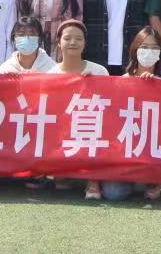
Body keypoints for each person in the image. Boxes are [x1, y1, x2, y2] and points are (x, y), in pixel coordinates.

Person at [51, 19, 110, 200]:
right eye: (67, 38)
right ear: (58, 42)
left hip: (90, 128)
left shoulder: (99, 71)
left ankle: (93, 180)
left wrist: (93, 86)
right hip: (62, 130)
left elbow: (110, 107)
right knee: (60, 182)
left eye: (78, 39)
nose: (73, 43)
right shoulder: (50, 74)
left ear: (85, 43)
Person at [124, 27, 161, 201]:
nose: (149, 52)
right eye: (144, 47)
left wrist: (158, 87)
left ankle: (153, 181)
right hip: (126, 147)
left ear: (160, 53)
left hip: (153, 149)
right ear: (135, 50)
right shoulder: (121, 82)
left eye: (154, 48)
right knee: (115, 193)